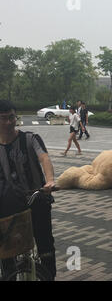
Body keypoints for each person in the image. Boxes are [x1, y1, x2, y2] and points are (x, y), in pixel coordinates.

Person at [0, 100, 57, 280]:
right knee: (5, 247)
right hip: (8, 204)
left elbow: (44, 159)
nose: (9, 122)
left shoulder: (30, 139)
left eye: (11, 117)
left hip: (36, 197)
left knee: (45, 244)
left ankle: (49, 275)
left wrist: (49, 181)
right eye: (3, 119)